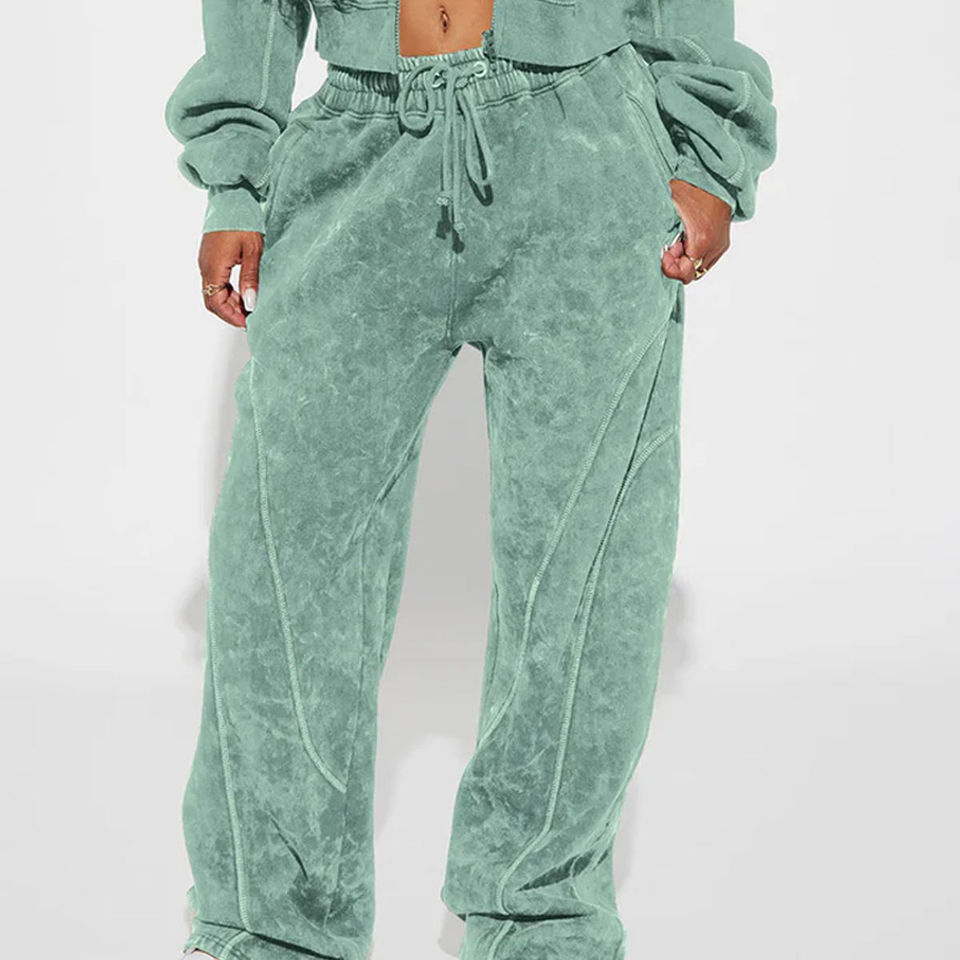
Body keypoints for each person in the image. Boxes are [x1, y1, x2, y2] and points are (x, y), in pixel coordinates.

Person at [165, 1, 776, 958]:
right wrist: (235, 181)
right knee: (285, 566)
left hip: (583, 144)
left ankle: (542, 919)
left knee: (585, 572)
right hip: (356, 139)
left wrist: (707, 152)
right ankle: (273, 927)